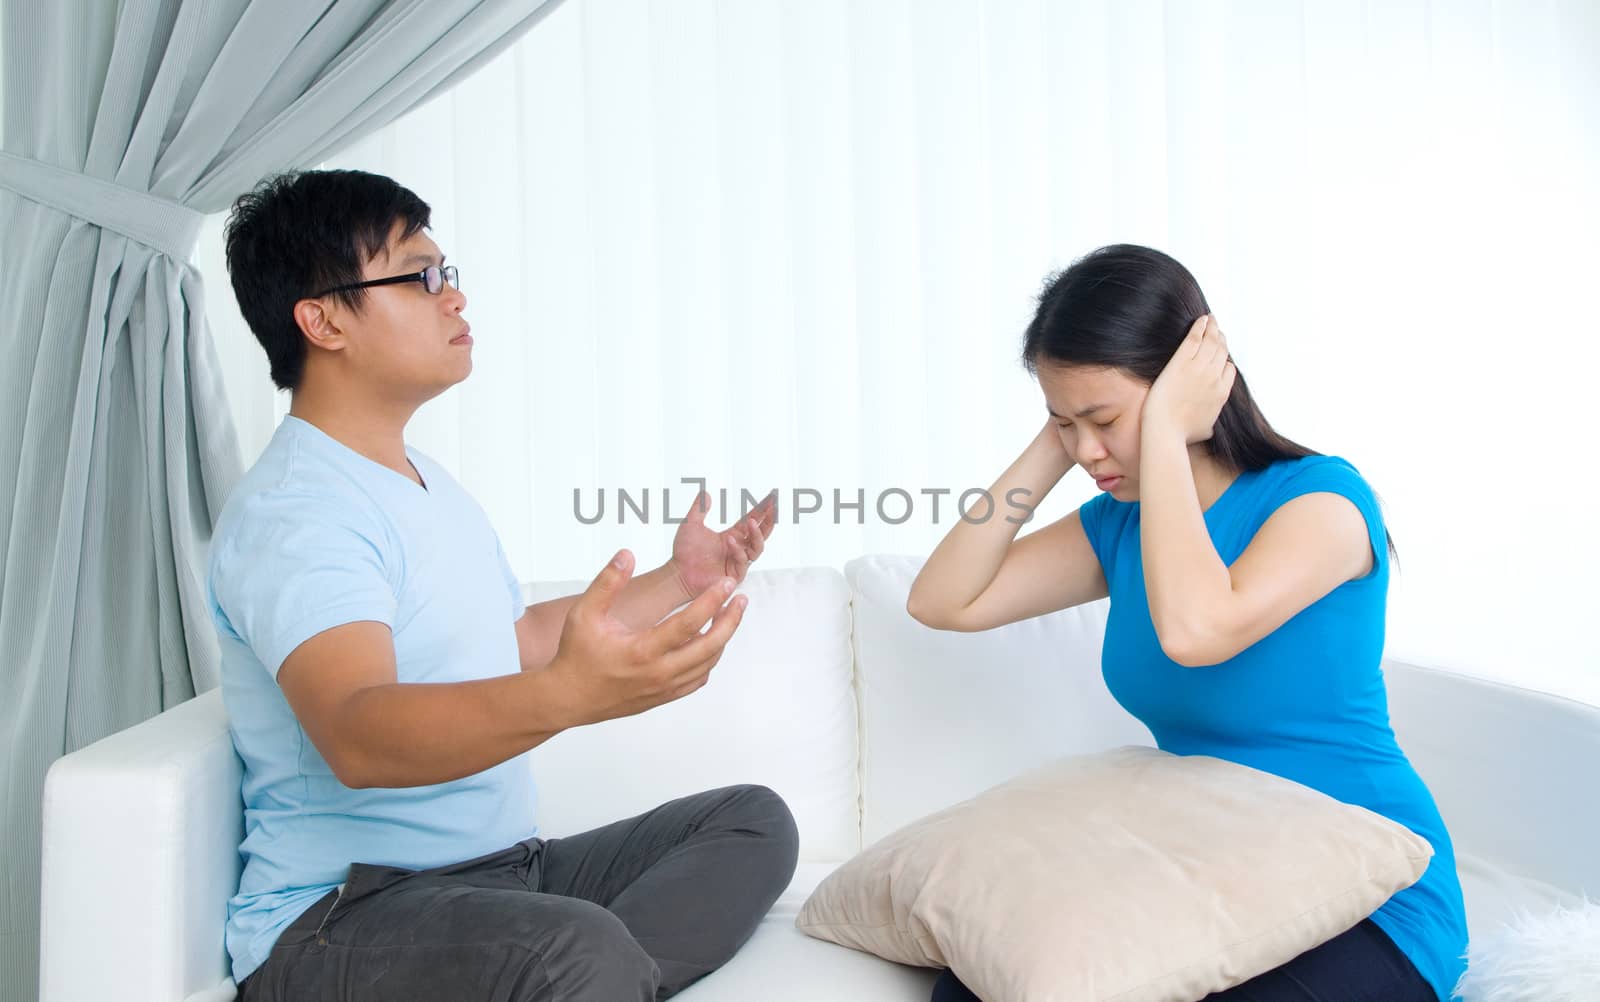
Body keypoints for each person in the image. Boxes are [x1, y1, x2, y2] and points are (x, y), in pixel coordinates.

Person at [209, 169, 798, 1002]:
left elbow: (514, 639)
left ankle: (591, 981)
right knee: (579, 950)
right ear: (324, 319)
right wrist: (569, 698)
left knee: (750, 821)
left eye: (447, 274)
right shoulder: (296, 511)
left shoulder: (419, 479)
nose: (453, 298)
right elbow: (355, 732)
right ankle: (588, 978)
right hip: (344, 917)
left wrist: (681, 579)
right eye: (420, 276)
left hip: (502, 876)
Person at [907, 244, 1467, 1002]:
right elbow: (943, 601)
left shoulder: (1323, 504)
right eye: (1065, 425)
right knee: (972, 987)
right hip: (1216, 875)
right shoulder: (1118, 522)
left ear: (1189, 384)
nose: (1088, 451)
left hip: (1367, 891)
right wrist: (1055, 442)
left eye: (1103, 419)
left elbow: (1196, 630)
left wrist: (1164, 434)